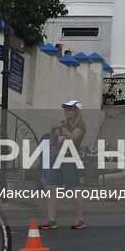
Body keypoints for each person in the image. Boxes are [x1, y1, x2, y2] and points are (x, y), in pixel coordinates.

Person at [41, 99, 87, 230]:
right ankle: (51, 219)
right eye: (65, 108)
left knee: (72, 188)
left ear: (76, 110)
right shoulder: (63, 123)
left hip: (70, 157)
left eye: (70, 108)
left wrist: (62, 128)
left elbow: (73, 138)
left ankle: (79, 218)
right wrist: (52, 130)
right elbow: (54, 141)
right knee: (51, 187)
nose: (67, 111)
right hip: (57, 157)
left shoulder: (80, 125)